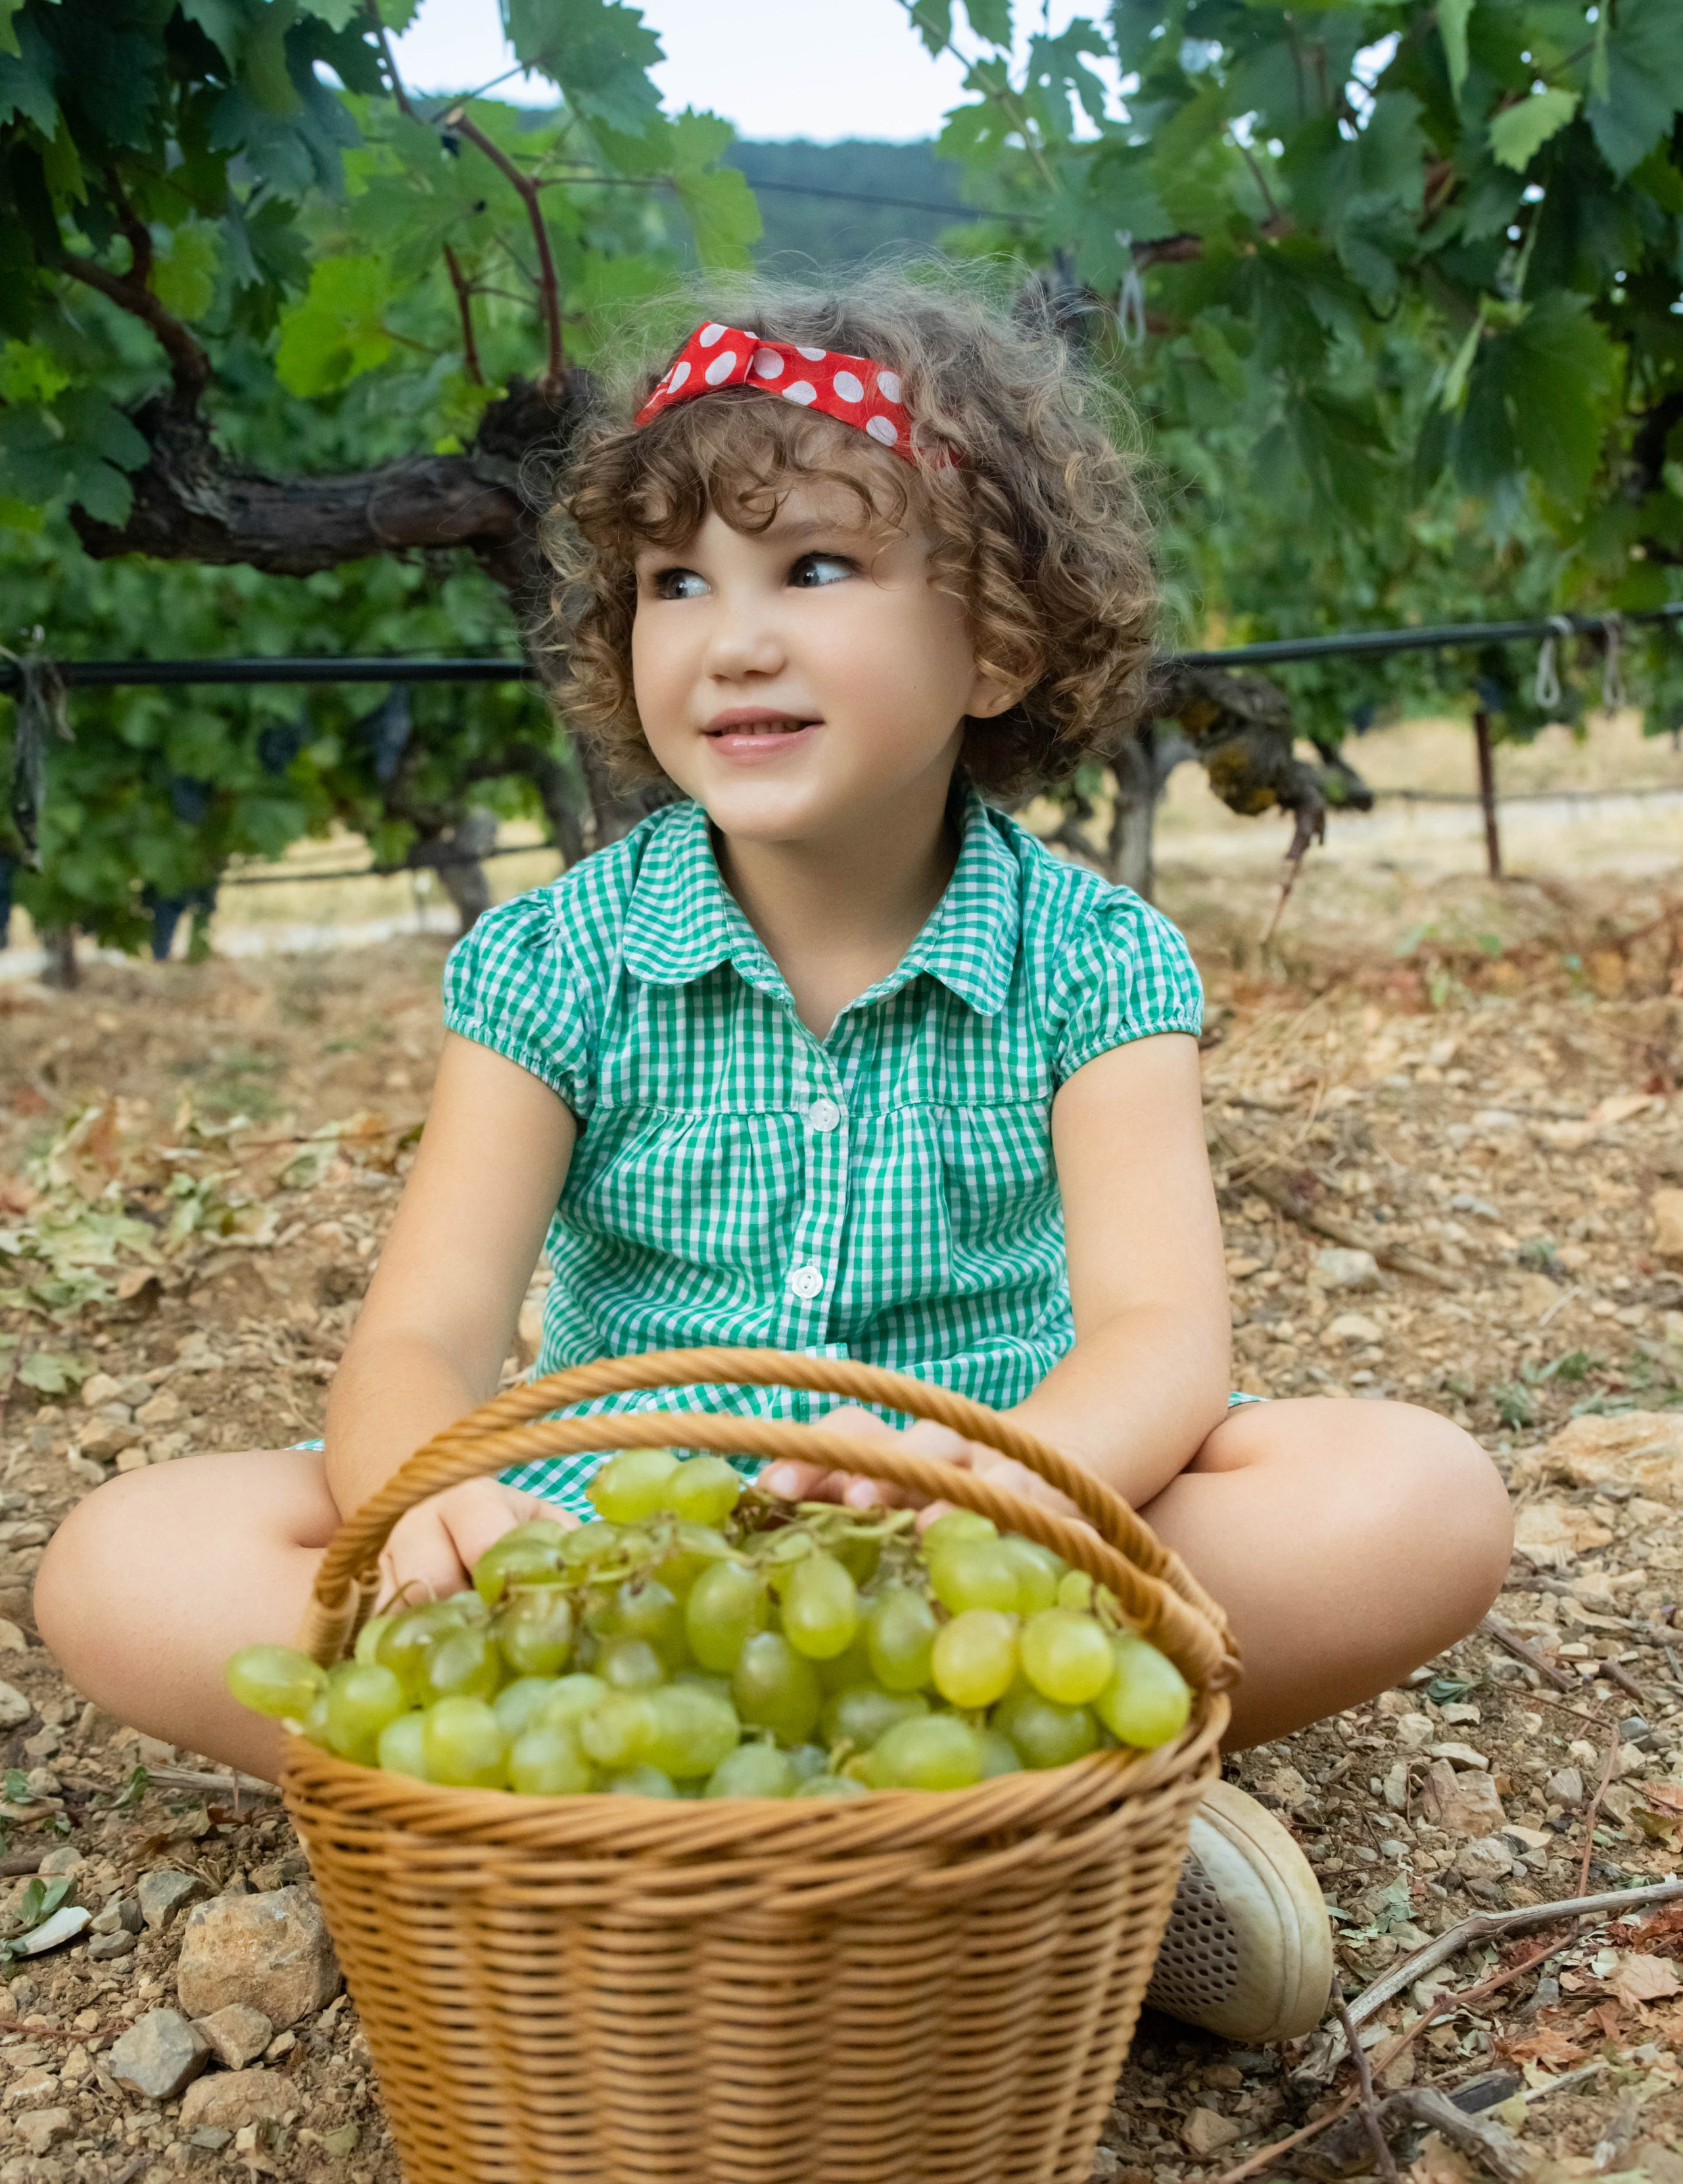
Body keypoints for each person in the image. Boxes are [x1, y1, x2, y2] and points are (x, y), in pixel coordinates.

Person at [34, 279, 1512, 2044]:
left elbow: (1155, 1342)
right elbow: (425, 1334)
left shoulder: (1093, 963)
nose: (729, 639)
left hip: (979, 1541)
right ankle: (983, 1829)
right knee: (120, 1561)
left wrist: (1018, 1491)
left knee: (1419, 1498)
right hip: (596, 1579)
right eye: (676, 584)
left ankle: (651, 1845)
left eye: (812, 569)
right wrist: (435, 1499)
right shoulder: (558, 963)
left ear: (1000, 650)